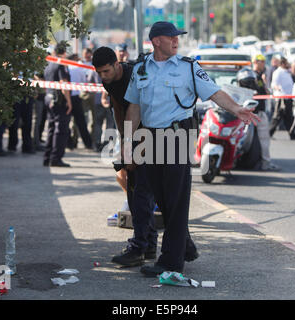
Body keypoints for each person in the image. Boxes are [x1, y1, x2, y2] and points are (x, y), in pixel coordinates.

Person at [123, 21, 260, 277]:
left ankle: (171, 262)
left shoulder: (189, 67)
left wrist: (236, 109)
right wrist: (128, 143)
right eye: (171, 37)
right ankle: (184, 245)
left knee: (176, 199)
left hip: (177, 136)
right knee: (162, 198)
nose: (176, 40)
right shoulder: (140, 68)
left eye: (178, 37)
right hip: (150, 138)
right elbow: (133, 107)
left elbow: (214, 93)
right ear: (156, 41)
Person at [92, 46, 158, 267]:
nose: (103, 77)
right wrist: (122, 140)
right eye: (99, 73)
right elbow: (119, 108)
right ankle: (147, 244)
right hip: (133, 134)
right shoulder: (108, 81)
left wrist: (130, 147)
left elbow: (136, 111)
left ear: (117, 64)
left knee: (141, 191)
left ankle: (141, 245)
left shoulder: (133, 76)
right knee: (136, 188)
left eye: (106, 72)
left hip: (152, 132)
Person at [239, 54, 279, 171]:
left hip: (258, 112)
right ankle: (262, 162)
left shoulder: (259, 77)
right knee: (252, 139)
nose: (264, 64)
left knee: (262, 139)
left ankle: (264, 162)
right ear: (256, 62)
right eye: (262, 61)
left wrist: (265, 83)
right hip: (251, 112)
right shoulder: (249, 77)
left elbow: (264, 92)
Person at [43, 43, 72, 167]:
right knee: (60, 130)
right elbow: (64, 84)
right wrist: (69, 102)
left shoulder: (49, 63)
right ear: (64, 52)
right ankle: (56, 158)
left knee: (51, 128)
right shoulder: (61, 64)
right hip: (58, 100)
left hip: (48, 98)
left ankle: (47, 157)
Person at [67, 53, 93, 150]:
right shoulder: (79, 68)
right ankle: (88, 144)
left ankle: (69, 143)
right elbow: (84, 82)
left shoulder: (66, 68)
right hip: (76, 98)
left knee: (66, 123)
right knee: (81, 123)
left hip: (66, 98)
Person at [270, 57, 295, 140]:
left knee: (288, 117)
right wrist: (277, 88)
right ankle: (269, 132)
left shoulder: (286, 72)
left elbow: (294, 72)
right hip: (281, 98)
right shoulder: (278, 72)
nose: (288, 64)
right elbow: (274, 84)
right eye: (286, 63)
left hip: (288, 97)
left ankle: (292, 134)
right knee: (278, 116)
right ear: (282, 64)